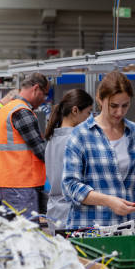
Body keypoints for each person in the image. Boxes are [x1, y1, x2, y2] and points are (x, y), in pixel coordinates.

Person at [62, 71, 135, 228]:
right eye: (113, 105)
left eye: (125, 105)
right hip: (93, 229)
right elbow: (70, 186)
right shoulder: (81, 135)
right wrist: (108, 201)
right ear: (100, 99)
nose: (119, 112)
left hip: (132, 228)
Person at [0, 73, 50, 217]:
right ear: (36, 89)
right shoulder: (22, 112)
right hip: (22, 184)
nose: (44, 100)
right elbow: (41, 151)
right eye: (44, 95)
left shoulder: (6, 109)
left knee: (15, 231)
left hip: (9, 182)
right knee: (26, 232)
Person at [44, 88, 93, 232]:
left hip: (55, 212)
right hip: (72, 215)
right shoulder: (75, 141)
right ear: (75, 110)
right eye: (88, 113)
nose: (90, 118)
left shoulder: (52, 139)